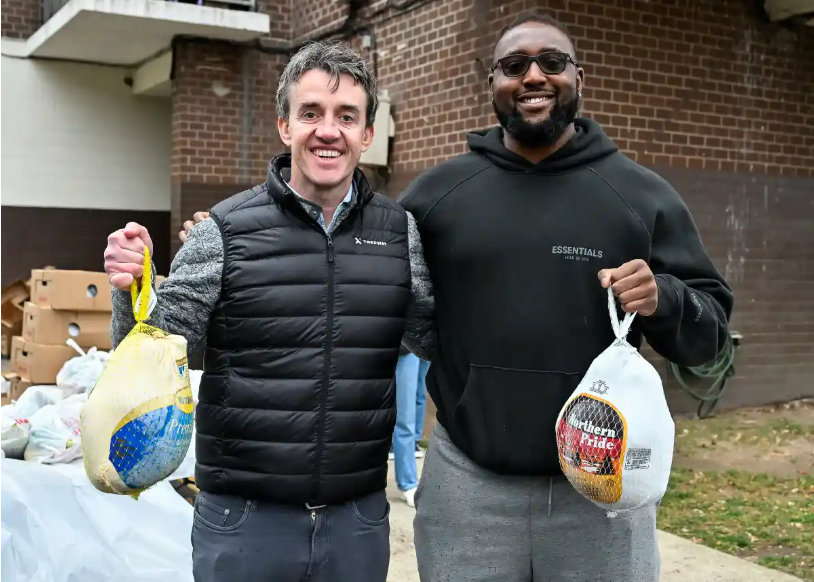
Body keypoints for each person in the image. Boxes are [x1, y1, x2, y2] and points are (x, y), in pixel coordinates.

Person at [397, 12, 734, 582]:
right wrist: (227, 236)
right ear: (492, 84)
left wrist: (664, 299)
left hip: (601, 492)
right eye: (513, 66)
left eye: (551, 63)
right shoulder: (436, 198)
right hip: (467, 487)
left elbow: (712, 336)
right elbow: (353, 266)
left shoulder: (640, 196)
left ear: (581, 78)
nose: (533, 76)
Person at [103, 41, 433, 582]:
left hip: (357, 521)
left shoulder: (400, 234)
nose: (328, 131)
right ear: (285, 126)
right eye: (311, 114)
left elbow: (438, 338)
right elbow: (144, 356)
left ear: (367, 135)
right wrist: (130, 285)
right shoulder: (224, 231)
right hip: (244, 523)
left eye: (346, 116)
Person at [391, 344, 430, 507]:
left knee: (420, 397)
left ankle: (413, 444)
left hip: (427, 338)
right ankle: (408, 482)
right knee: (405, 417)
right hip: (405, 344)